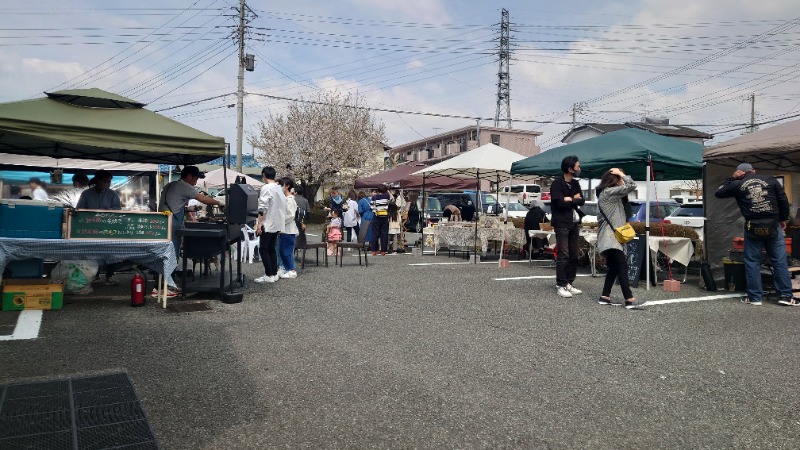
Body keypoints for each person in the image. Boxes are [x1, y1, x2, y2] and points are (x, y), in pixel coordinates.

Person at [715, 163, 796, 306]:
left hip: (753, 225)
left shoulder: (737, 184)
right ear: (753, 171)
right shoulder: (770, 179)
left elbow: (719, 193)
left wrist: (731, 179)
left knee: (752, 262)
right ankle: (786, 296)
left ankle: (754, 297)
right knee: (779, 261)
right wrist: (783, 219)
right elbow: (783, 199)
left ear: (740, 173)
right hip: (773, 224)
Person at [596, 168, 643, 309]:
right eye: (620, 179)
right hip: (610, 239)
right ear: (614, 180)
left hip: (612, 238)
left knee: (614, 268)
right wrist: (621, 174)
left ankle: (605, 296)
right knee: (622, 266)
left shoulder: (612, 197)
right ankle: (629, 299)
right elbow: (632, 185)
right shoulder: (608, 193)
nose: (622, 181)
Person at [158, 166, 223, 262]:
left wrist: (189, 211)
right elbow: (203, 199)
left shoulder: (171, 184)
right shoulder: (184, 186)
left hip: (161, 220)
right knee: (172, 248)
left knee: (163, 249)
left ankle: (161, 273)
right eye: (196, 179)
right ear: (189, 176)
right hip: (172, 222)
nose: (196, 182)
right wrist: (219, 203)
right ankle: (169, 274)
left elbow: (174, 203)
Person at [77, 170, 124, 285]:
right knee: (92, 251)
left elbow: (118, 209)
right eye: (106, 181)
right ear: (98, 180)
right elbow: (79, 209)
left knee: (110, 251)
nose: (108, 183)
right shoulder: (86, 194)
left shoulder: (112, 194)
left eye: (109, 181)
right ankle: (94, 275)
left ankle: (110, 275)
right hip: (90, 228)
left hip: (108, 227)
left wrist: (106, 212)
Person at [551, 155, 585, 298]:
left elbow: (582, 200)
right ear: (570, 169)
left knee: (574, 255)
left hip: (574, 222)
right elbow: (559, 203)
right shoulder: (557, 184)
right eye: (577, 166)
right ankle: (561, 284)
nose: (579, 168)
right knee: (563, 254)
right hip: (561, 223)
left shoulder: (576, 183)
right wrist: (573, 199)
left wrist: (568, 199)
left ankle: (569, 282)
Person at [255, 166, 286, 283]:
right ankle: (273, 273)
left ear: (264, 176)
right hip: (278, 222)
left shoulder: (266, 188)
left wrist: (259, 224)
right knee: (271, 248)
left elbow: (262, 208)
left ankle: (269, 274)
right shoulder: (279, 188)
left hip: (268, 223)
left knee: (263, 249)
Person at [278, 177, 298, 279]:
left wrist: (280, 222)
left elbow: (290, 215)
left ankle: (291, 270)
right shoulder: (287, 199)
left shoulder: (289, 200)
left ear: (287, 186)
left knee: (286, 251)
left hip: (288, 230)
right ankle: (288, 269)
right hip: (286, 229)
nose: (279, 187)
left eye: (281, 185)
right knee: (284, 251)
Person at [370, 185, 391, 255]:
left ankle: (374, 250)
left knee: (375, 233)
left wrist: (376, 212)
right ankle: (383, 250)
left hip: (376, 217)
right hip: (385, 217)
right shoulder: (387, 196)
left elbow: (372, 207)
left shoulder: (374, 197)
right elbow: (391, 202)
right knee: (384, 234)